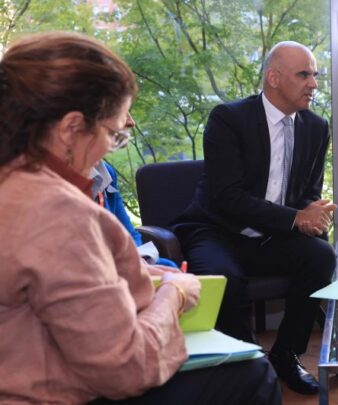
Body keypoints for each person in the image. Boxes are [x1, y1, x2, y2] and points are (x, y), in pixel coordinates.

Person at [0, 32, 280, 404]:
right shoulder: (57, 210)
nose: (109, 150)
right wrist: (174, 294)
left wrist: (133, 273)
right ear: (70, 128)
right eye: (114, 136)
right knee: (253, 373)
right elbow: (126, 368)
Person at [171, 40, 336, 395]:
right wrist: (297, 218)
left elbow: (308, 191)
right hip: (217, 229)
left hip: (272, 234)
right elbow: (227, 197)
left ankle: (286, 355)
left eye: (315, 75)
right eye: (303, 75)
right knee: (223, 279)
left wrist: (313, 215)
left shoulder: (316, 127)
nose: (314, 84)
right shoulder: (228, 119)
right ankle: (248, 364)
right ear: (273, 78)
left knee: (321, 256)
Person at [91, 159, 178, 268]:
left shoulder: (107, 171)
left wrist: (138, 259)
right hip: (92, 264)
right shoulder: (71, 184)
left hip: (118, 260)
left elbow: (129, 234)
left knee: (168, 267)